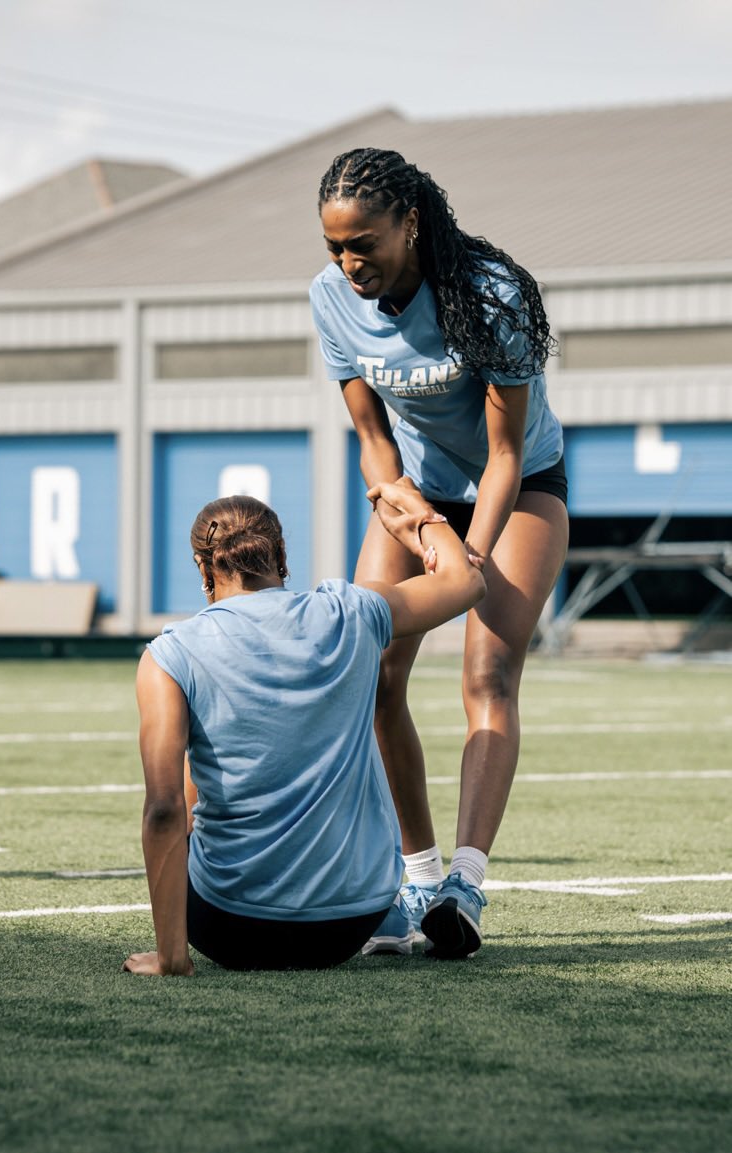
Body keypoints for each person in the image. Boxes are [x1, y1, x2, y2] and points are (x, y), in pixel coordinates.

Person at [310, 148, 569, 959]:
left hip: (517, 487)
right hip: (416, 493)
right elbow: (370, 439)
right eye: (334, 247)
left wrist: (471, 560)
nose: (349, 263)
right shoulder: (330, 300)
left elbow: (502, 455)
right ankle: (415, 878)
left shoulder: (491, 294)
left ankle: (464, 883)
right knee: (373, 667)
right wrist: (411, 517)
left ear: (410, 223)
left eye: (365, 244)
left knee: (485, 674)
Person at [123, 490, 485, 975]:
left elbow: (166, 811)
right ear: (282, 557)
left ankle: (173, 954)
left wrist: (171, 958)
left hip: (227, 928)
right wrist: (419, 515)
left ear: (203, 568)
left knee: (195, 758)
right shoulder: (350, 612)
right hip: (350, 924)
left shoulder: (171, 653)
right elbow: (466, 581)